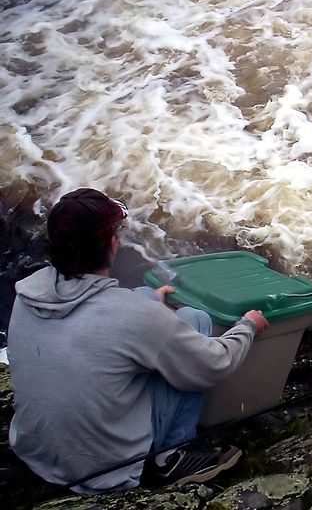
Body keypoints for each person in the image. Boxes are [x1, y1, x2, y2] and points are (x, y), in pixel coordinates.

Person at [6, 187, 269, 494]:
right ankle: (169, 459)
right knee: (195, 321)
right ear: (112, 244)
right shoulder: (132, 315)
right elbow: (213, 363)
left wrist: (148, 304)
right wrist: (247, 326)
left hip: (36, 454)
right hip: (103, 473)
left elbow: (99, 323)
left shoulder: (27, 295)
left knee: (144, 296)